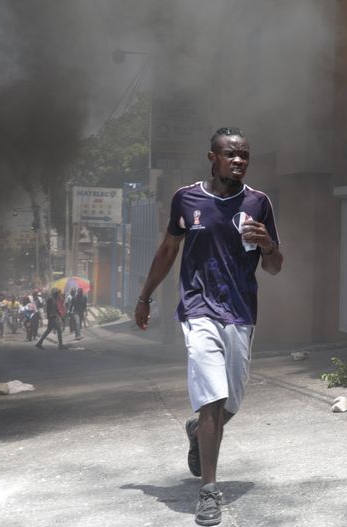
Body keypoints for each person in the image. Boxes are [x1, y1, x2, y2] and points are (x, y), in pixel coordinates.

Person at [134, 127, 282, 526]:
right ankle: (210, 491)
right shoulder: (187, 198)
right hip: (198, 310)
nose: (239, 160)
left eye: (245, 155)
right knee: (212, 398)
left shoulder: (258, 203)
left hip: (240, 313)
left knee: (231, 400)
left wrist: (268, 244)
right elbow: (169, 249)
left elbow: (274, 266)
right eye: (230, 154)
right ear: (212, 157)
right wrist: (145, 296)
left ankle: (197, 430)